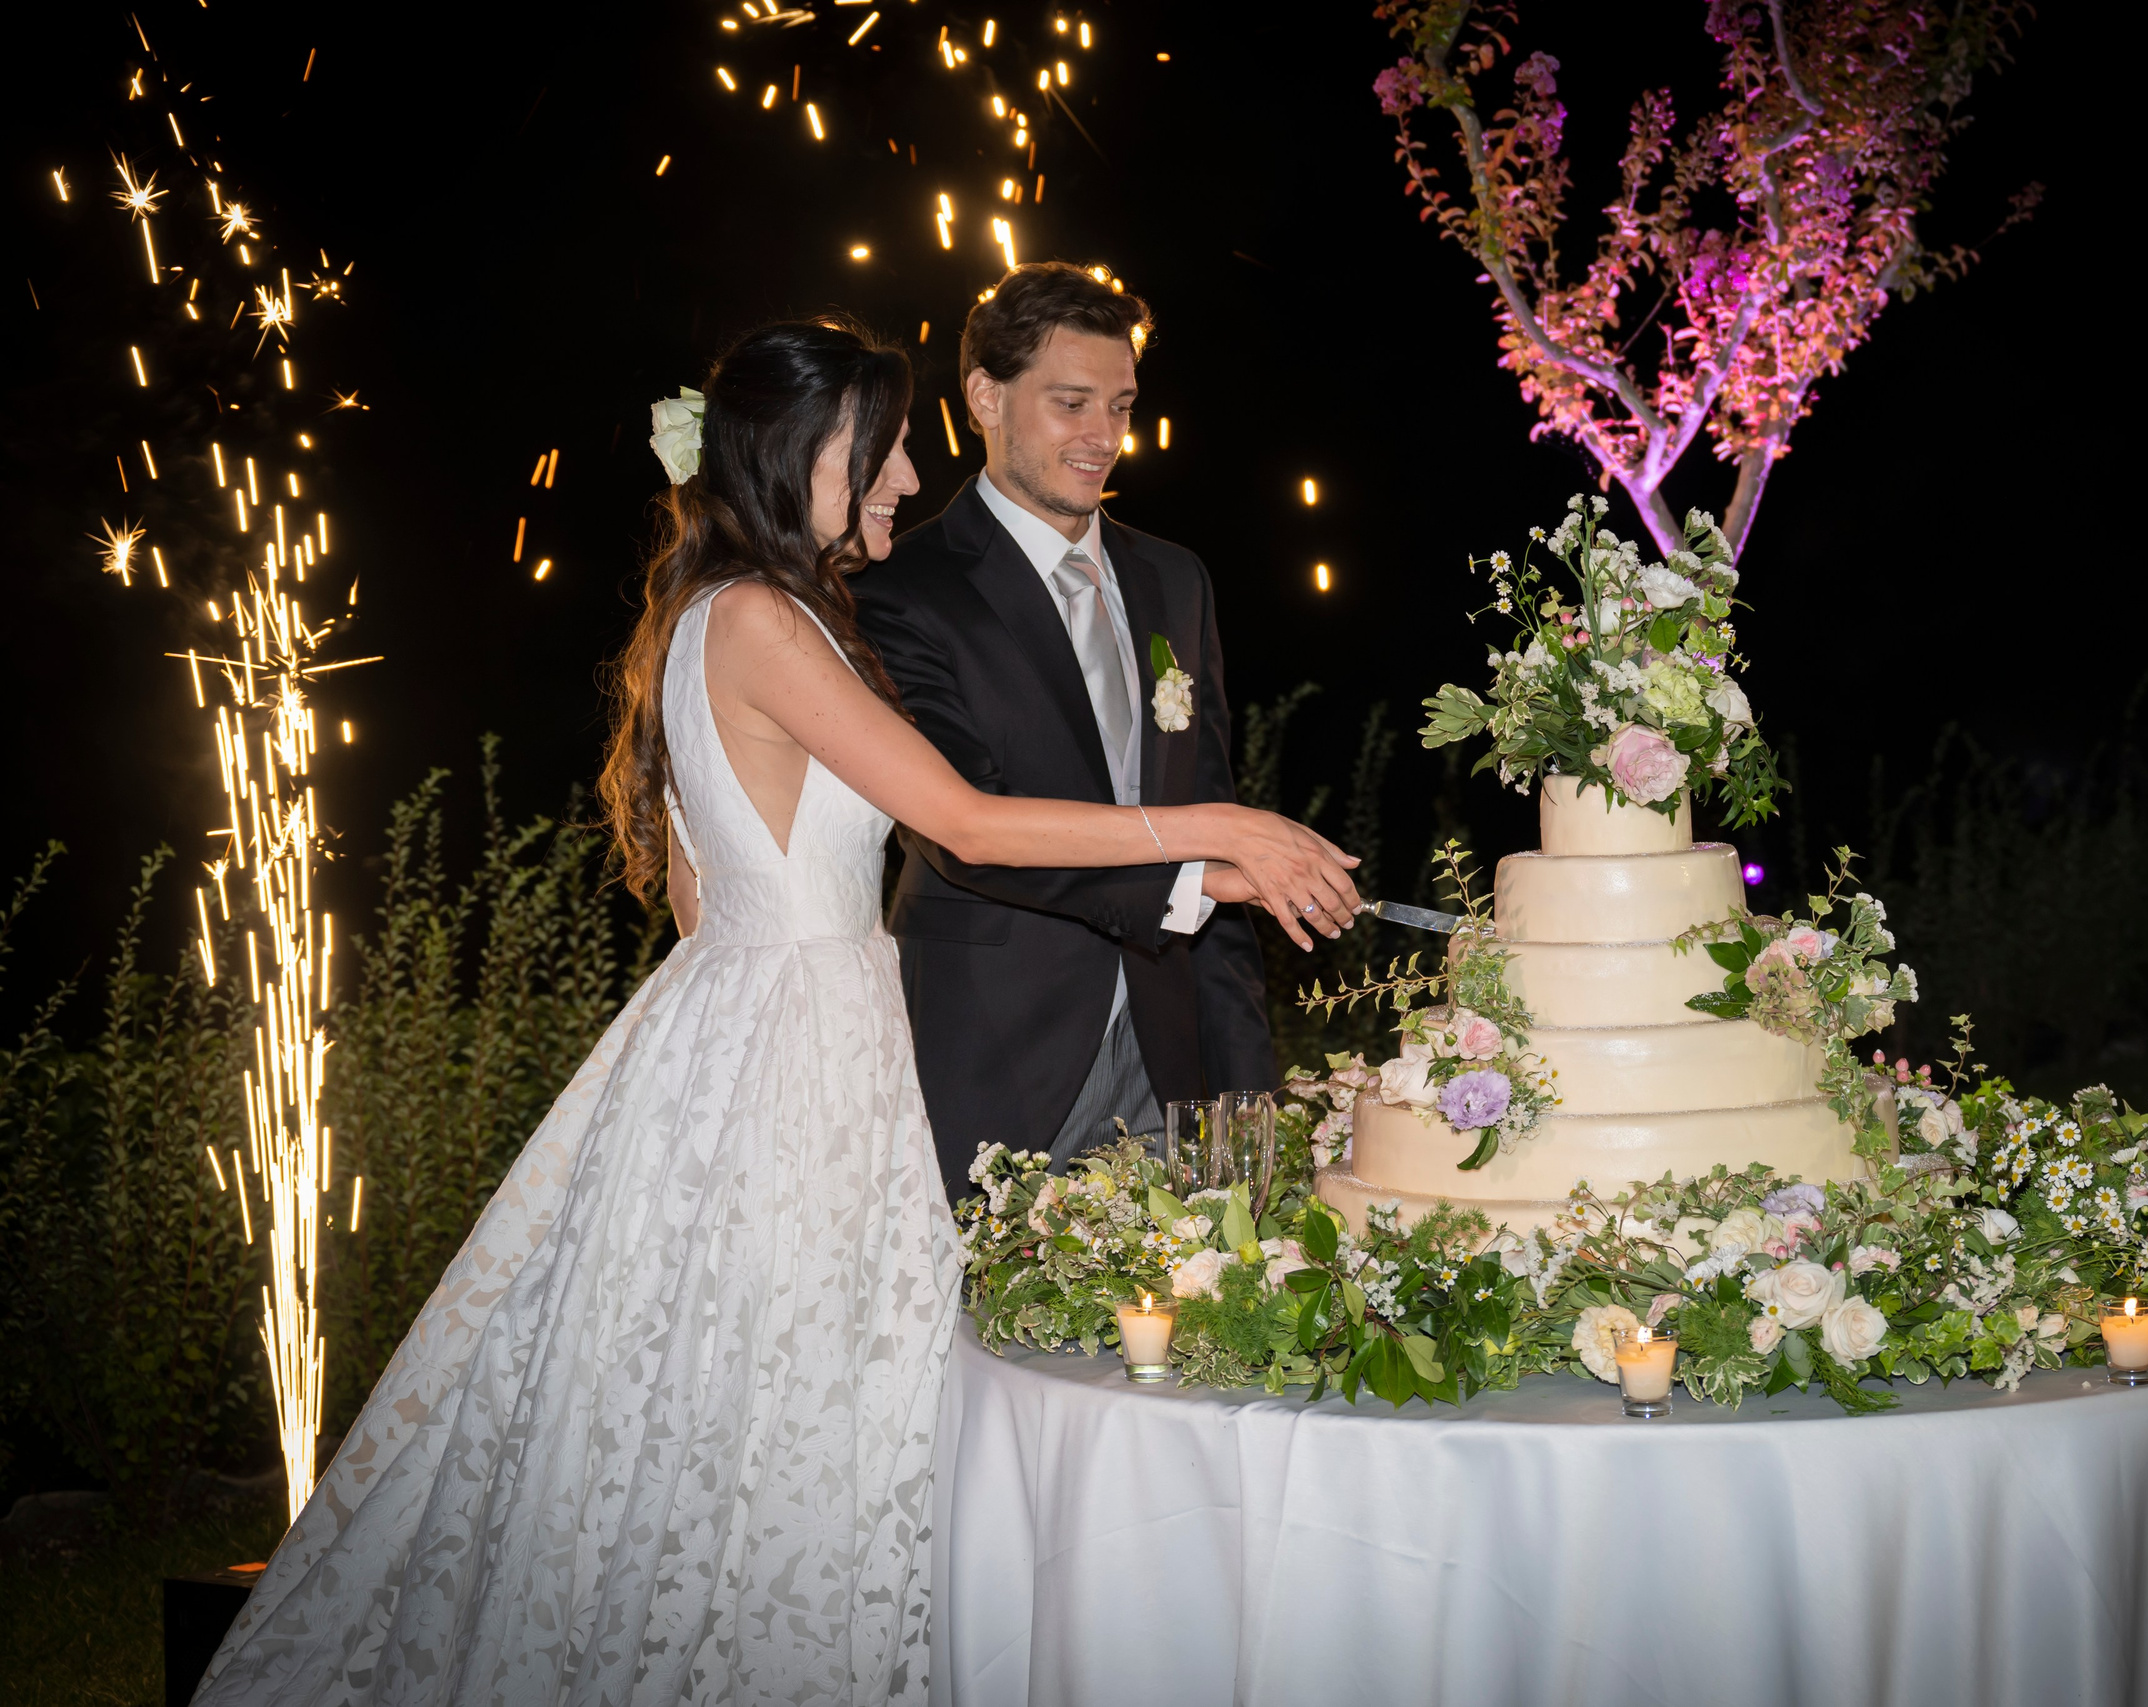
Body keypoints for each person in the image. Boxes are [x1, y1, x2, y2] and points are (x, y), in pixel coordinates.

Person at [192, 315, 1359, 1706]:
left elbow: (703, 895)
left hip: (731, 1028)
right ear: (800, 451)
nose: (907, 479)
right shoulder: (765, 618)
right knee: (816, 1394)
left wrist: (1199, 871)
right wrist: (1216, 814)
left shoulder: (711, 617)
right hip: (813, 1036)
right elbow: (970, 825)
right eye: (879, 451)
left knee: (727, 1387)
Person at [859, 265, 1288, 1203]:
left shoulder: (1178, 579)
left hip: (1172, 1064)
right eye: (1071, 403)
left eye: (1122, 405)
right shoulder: (900, 587)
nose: (1105, 437)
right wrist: (1189, 868)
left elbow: (1215, 824)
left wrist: (1246, 1093)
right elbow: (964, 831)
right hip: (994, 1054)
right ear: (985, 396)